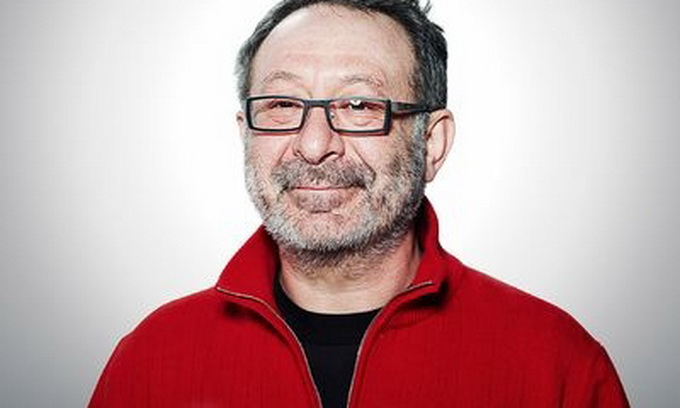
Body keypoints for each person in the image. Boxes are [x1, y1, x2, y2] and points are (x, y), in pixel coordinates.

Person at [89, 0, 629, 407]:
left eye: (359, 104)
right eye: (281, 105)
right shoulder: (151, 361)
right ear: (245, 134)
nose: (314, 145)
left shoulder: (556, 363)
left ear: (431, 143)